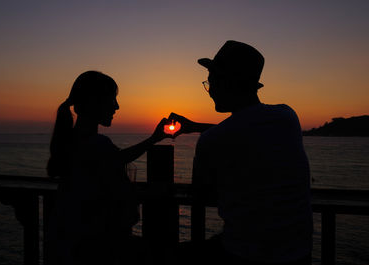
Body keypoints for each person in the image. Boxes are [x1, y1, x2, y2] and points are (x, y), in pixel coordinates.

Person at [172, 40, 313, 265]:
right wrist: (196, 126)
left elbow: (202, 195)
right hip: (299, 253)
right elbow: (247, 128)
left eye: (212, 81)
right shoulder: (287, 117)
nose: (210, 90)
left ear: (226, 82)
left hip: (245, 254)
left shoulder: (213, 140)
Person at [46, 71, 170, 265]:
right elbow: (115, 162)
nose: (117, 106)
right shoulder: (97, 145)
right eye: (112, 99)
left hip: (69, 243)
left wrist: (154, 138)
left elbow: (117, 158)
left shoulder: (72, 142)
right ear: (94, 101)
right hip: (94, 247)